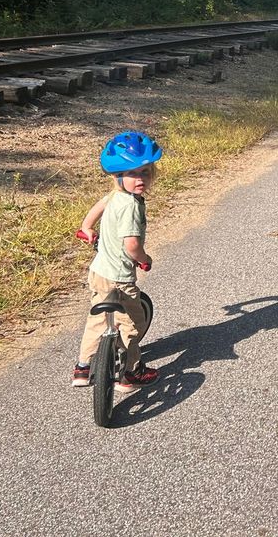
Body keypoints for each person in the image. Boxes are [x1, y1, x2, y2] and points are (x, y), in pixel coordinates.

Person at [71, 130, 162, 391]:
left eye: (145, 172)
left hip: (99, 271)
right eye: (133, 174)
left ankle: (83, 367)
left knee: (97, 319)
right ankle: (131, 373)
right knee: (133, 324)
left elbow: (98, 206)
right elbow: (132, 245)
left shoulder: (114, 195)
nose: (140, 179)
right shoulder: (132, 206)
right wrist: (144, 260)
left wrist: (87, 227)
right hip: (121, 278)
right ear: (117, 176)